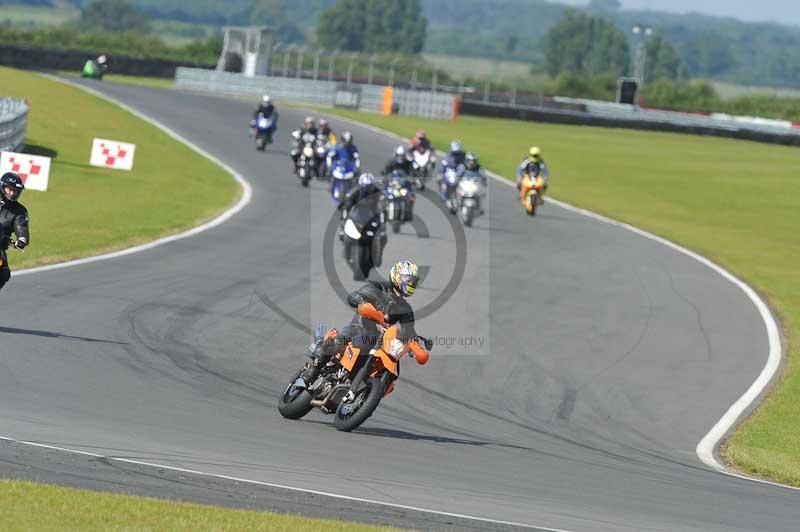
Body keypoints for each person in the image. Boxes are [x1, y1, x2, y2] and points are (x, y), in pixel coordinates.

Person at [302, 260, 421, 383]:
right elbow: (356, 295)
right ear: (397, 275)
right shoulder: (378, 287)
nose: (411, 283)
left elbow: (409, 331)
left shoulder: (405, 309)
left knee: (392, 363)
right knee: (339, 342)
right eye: (408, 279)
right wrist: (361, 302)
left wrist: (416, 347)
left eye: (414, 282)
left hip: (378, 340)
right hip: (359, 328)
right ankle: (314, 370)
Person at [0, 172, 30, 294]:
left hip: (0, 245)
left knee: (4, 272)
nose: (12, 193)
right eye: (10, 189)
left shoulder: (19, 211)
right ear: (2, 187)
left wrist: (22, 239)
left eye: (16, 191)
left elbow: (21, 226)